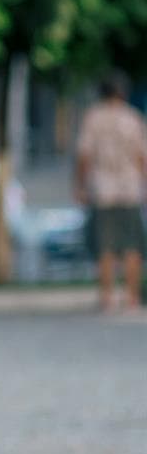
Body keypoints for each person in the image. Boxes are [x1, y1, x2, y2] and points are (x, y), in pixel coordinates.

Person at [74, 73, 147, 313]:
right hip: (130, 189)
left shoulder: (93, 118)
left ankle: (107, 297)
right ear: (123, 93)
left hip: (103, 188)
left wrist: (81, 185)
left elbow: (84, 156)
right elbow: (141, 157)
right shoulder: (133, 118)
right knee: (132, 246)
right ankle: (132, 296)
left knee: (105, 246)